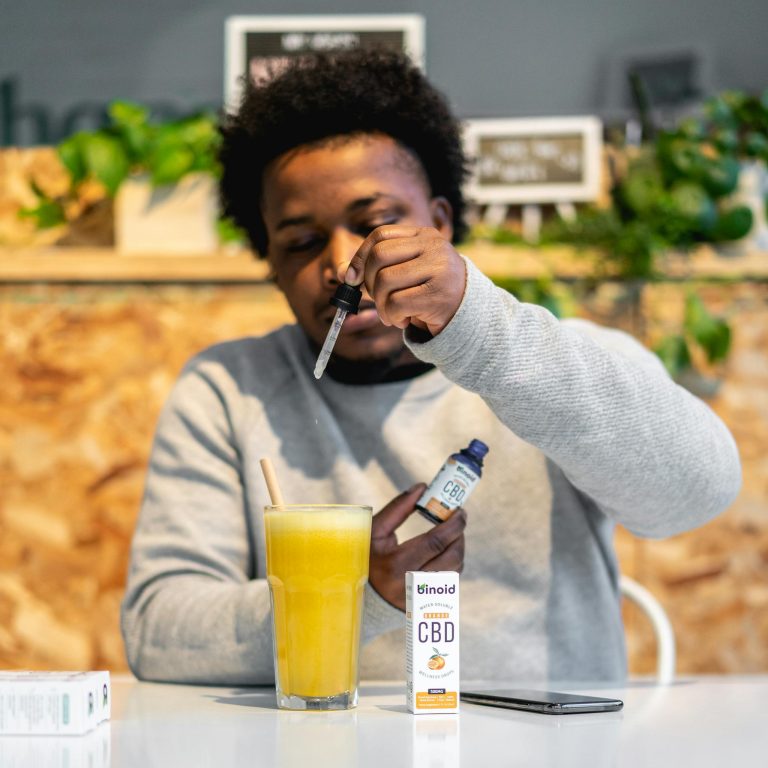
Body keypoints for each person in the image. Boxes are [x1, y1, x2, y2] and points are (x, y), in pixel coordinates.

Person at [121, 48, 741, 684]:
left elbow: (699, 494)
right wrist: (357, 594)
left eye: (377, 223)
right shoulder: (229, 392)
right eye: (302, 242)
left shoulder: (558, 356)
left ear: (439, 224)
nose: (342, 263)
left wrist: (478, 329)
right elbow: (160, 628)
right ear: (270, 265)